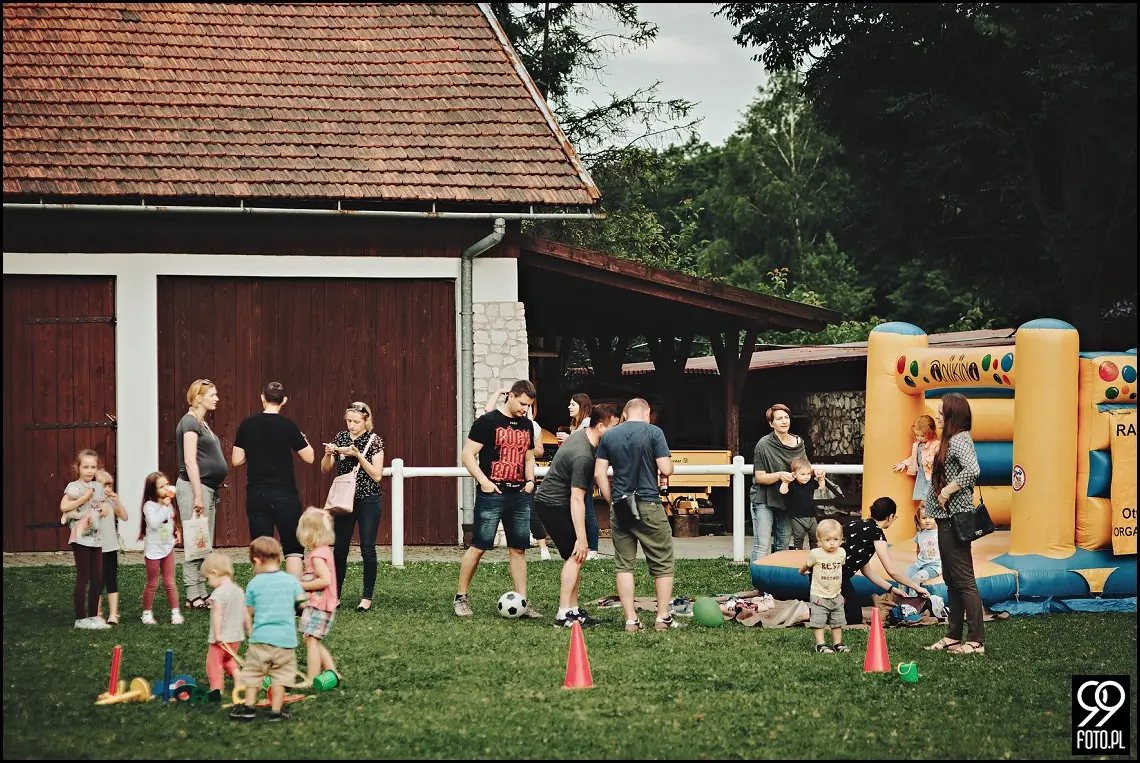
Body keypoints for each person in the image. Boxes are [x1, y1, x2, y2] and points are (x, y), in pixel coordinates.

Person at [454, 379, 541, 618]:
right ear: (511, 396)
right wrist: (484, 481)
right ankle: (461, 597)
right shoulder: (487, 422)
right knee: (479, 546)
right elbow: (467, 454)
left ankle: (522, 602)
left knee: (519, 549)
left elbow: (528, 458)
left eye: (529, 405)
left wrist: (531, 481)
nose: (525, 409)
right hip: (492, 495)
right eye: (523, 403)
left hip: (519, 495)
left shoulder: (527, 426)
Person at [595, 398, 678, 632]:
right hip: (649, 502)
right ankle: (662, 617)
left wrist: (612, 500)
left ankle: (631, 619)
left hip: (622, 505)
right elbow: (665, 468)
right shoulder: (654, 432)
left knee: (624, 564)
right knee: (662, 562)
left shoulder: (609, 435)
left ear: (624, 413)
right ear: (647, 412)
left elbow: (599, 473)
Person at [534, 403, 619, 628]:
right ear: (601, 427)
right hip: (553, 505)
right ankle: (563, 614)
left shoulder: (585, 437)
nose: (617, 432)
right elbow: (576, 499)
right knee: (575, 554)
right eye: (614, 427)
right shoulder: (583, 456)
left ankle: (573, 610)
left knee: (576, 558)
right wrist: (582, 538)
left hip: (558, 503)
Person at [232, 381, 316, 581]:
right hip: (285, 494)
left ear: (262, 398)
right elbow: (310, 457)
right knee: (293, 548)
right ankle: (295, 599)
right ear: (284, 401)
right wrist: (302, 438)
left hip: (257, 494)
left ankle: (264, 598)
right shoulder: (288, 426)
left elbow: (236, 460)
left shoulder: (247, 424)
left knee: (262, 548)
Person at [924, 392, 985, 655]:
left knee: (964, 580)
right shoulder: (949, 440)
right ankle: (952, 635)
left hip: (955, 518)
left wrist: (947, 491)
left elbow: (973, 469)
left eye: (941, 412)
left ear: (952, 415)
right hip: (945, 518)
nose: (937, 416)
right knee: (951, 579)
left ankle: (975, 640)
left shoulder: (960, 439)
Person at [231, 536, 307, 722]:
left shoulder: (254, 584)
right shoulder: (291, 582)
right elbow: (302, 605)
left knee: (253, 673)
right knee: (280, 676)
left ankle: (248, 707)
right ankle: (276, 711)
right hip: (285, 641)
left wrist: (249, 628)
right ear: (279, 559)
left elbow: (248, 612)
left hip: (260, 640)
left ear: (256, 561)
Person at [322, 401, 385, 612]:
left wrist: (358, 455)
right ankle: (335, 595)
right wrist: (329, 453)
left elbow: (377, 475)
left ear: (366, 421)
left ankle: (366, 597)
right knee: (340, 549)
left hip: (368, 498)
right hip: (344, 499)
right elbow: (325, 469)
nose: (352, 425)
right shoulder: (340, 438)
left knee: (367, 547)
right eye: (349, 421)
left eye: (356, 422)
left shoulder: (374, 441)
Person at [175, 379, 228, 611]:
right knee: (195, 541)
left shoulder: (201, 422)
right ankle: (192, 594)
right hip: (194, 488)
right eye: (212, 394)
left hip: (207, 488)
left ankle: (201, 592)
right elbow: (189, 460)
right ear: (198, 397)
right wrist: (197, 494)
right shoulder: (189, 422)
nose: (216, 398)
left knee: (202, 543)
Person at [839, 497, 932, 626]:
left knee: (846, 611)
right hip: (835, 576)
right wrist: (916, 587)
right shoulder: (877, 533)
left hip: (823, 572)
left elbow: (866, 570)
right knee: (853, 618)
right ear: (891, 516)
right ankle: (805, 612)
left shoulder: (855, 524)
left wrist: (891, 588)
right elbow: (892, 570)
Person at [59, 449, 110, 630]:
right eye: (85, 467)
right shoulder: (75, 487)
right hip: (80, 537)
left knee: (97, 576)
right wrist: (83, 498)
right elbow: (64, 506)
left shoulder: (97, 487)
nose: (89, 471)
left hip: (96, 538)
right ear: (78, 467)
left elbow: (100, 505)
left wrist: (104, 507)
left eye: (93, 467)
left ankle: (93, 616)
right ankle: (80, 619)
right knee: (84, 575)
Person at [751, 403, 809, 561]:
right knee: (762, 544)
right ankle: (758, 581)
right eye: (779, 419)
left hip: (787, 499)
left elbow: (803, 469)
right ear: (771, 424)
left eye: (786, 417)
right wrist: (779, 475)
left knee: (783, 544)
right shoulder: (763, 445)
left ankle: (777, 582)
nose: (784, 421)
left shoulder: (799, 443)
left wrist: (814, 473)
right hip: (764, 498)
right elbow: (760, 477)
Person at [296, 508, 341, 688]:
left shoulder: (317, 556)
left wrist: (301, 585)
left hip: (320, 605)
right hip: (321, 604)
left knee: (311, 640)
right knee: (312, 638)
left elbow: (325, 580)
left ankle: (310, 678)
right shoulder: (324, 551)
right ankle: (332, 672)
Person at [558, 393, 601, 560]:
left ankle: (593, 549)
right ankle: (582, 544)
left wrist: (568, 439)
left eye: (573, 405)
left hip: (584, 469)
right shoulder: (576, 424)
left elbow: (585, 444)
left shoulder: (586, 423)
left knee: (587, 509)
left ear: (582, 406)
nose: (569, 407)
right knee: (579, 508)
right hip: (576, 469)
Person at [798, 518, 850, 654]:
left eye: (836, 539)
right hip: (819, 595)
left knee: (837, 621)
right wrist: (802, 571)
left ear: (841, 539)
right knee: (819, 621)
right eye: (828, 540)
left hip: (836, 594)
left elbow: (840, 568)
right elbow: (806, 565)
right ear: (819, 540)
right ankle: (820, 645)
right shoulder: (816, 554)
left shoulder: (841, 553)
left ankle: (837, 644)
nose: (832, 543)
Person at [139, 471, 183, 625]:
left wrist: (176, 531)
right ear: (153, 490)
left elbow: (170, 520)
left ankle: (175, 612)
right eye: (161, 486)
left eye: (167, 485)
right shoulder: (149, 506)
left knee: (170, 581)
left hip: (167, 547)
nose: (166, 488)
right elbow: (154, 523)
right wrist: (164, 506)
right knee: (152, 582)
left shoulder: (169, 504)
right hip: (153, 550)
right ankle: (147, 613)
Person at [203, 552, 246, 701]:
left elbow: (217, 615)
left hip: (221, 639)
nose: (208, 583)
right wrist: (247, 627)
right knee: (228, 660)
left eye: (208, 578)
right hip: (236, 637)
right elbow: (244, 612)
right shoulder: (239, 591)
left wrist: (217, 634)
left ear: (214, 573)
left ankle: (216, 689)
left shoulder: (218, 594)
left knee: (213, 664)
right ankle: (237, 676)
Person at [94, 470, 127, 626]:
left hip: (111, 548)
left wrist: (117, 501)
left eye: (109, 486)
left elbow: (125, 517)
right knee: (97, 581)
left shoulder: (111, 502)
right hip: (96, 548)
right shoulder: (93, 503)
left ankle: (114, 614)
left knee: (111, 580)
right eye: (104, 486)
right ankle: (97, 612)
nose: (107, 489)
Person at [893, 414, 940, 515]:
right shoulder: (917, 444)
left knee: (930, 497)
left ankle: (931, 517)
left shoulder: (936, 444)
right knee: (923, 499)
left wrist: (928, 460)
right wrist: (904, 464)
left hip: (931, 476)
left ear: (931, 433)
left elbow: (939, 458)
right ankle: (925, 518)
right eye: (917, 435)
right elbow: (913, 458)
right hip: (921, 475)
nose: (919, 438)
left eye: (922, 435)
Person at [781, 456, 825, 551]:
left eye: (809, 473)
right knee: (799, 538)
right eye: (803, 474)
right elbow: (782, 491)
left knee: (814, 537)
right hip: (797, 517)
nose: (807, 476)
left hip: (811, 515)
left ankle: (814, 555)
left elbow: (821, 487)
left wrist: (821, 478)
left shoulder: (811, 482)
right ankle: (798, 558)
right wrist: (786, 482)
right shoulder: (792, 484)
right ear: (794, 474)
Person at [904, 507, 942, 596]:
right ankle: (900, 600)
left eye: (930, 517)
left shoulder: (940, 533)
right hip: (919, 564)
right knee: (903, 577)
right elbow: (918, 549)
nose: (927, 520)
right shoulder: (920, 534)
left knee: (915, 578)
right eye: (924, 518)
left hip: (934, 566)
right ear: (919, 519)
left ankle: (911, 604)